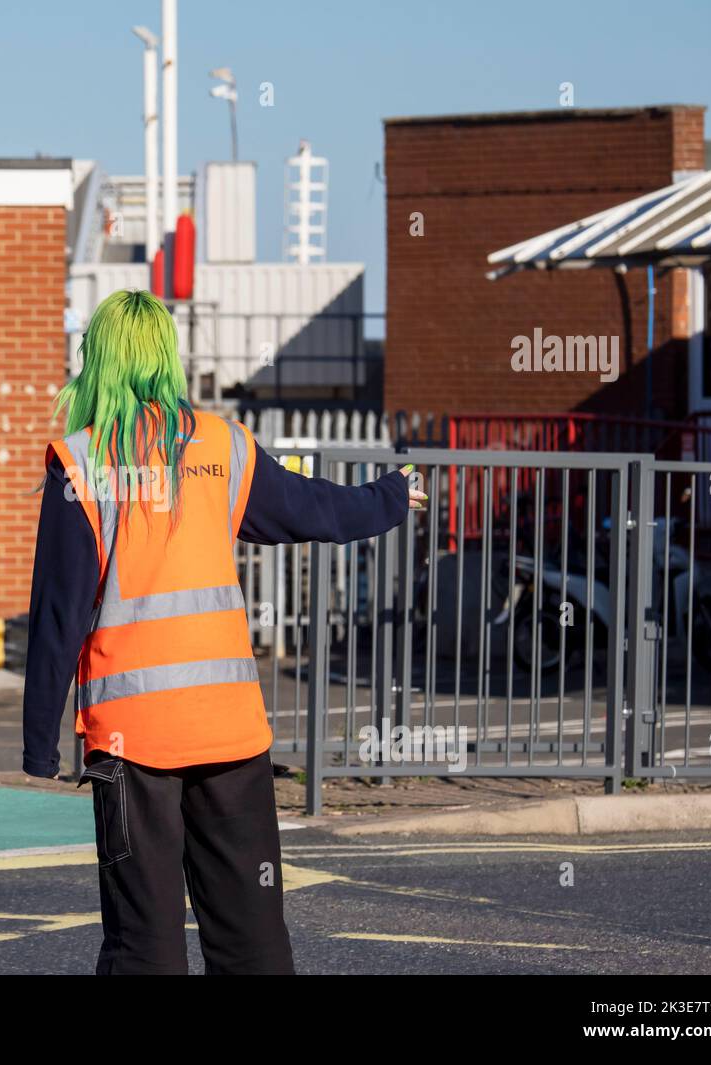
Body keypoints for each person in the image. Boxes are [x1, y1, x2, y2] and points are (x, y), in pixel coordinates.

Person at [22, 289, 426, 975]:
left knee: (144, 939)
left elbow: (59, 612)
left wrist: (39, 741)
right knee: (250, 931)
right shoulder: (219, 446)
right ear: (165, 360)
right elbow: (307, 507)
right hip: (228, 731)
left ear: (98, 362)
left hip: (132, 739)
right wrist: (386, 496)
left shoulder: (84, 463)